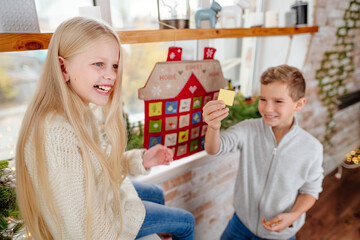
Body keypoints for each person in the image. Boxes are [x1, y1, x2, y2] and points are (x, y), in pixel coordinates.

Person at [16, 16, 194, 240]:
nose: (111, 75)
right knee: (186, 223)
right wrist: (134, 221)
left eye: (115, 65)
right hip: (103, 226)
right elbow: (87, 231)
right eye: (99, 64)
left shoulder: (79, 111)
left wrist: (141, 160)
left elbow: (98, 169)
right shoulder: (57, 134)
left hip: (103, 202)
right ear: (63, 67)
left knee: (156, 193)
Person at [202, 64, 324, 240]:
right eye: (263, 99)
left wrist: (293, 215)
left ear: (299, 104)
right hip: (239, 225)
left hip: (280, 233)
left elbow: (310, 191)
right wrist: (213, 127)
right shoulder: (248, 129)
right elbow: (214, 149)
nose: (267, 108)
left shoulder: (312, 148)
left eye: (278, 101)